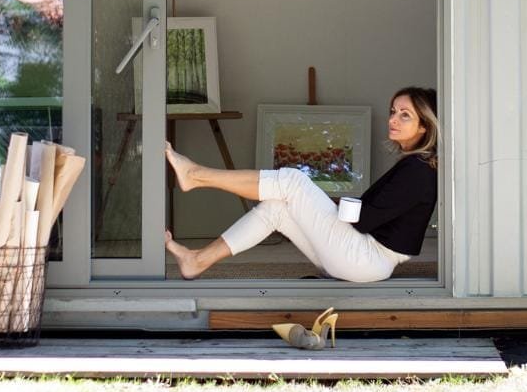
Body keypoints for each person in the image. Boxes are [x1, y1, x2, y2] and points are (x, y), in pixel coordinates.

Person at [163, 86, 439, 282]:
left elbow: (365, 219)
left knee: (294, 181)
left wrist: (323, 202)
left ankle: (196, 175)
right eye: (393, 111)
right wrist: (323, 204)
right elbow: (373, 214)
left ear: (425, 126)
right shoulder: (415, 166)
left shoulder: (418, 170)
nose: (393, 119)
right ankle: (196, 261)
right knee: (276, 208)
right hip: (362, 258)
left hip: (367, 259)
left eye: (405, 115)